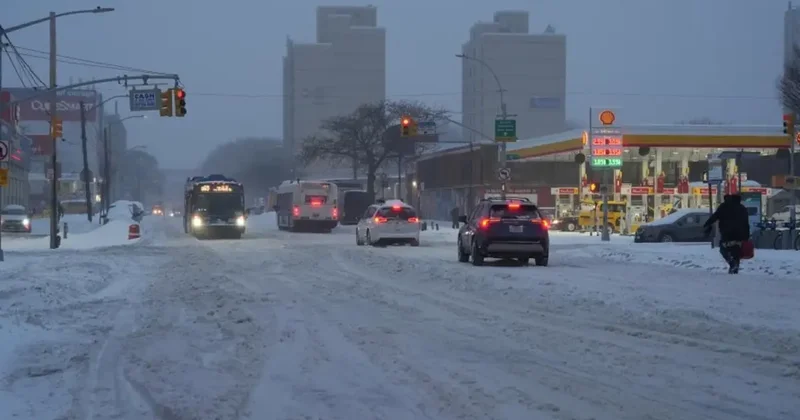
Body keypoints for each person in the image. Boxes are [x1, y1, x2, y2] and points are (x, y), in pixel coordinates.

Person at [703, 194, 750, 274]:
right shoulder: (743, 208)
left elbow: (715, 216)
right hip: (740, 235)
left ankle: (732, 263)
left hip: (728, 233)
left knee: (723, 248)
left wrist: (706, 224)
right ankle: (735, 269)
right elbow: (746, 223)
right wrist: (747, 236)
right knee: (737, 252)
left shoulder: (724, 206)